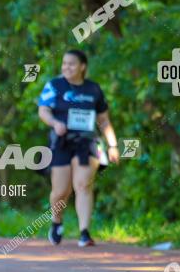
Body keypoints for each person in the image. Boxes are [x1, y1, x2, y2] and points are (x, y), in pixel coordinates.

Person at [38, 50, 119, 247]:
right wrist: (55, 123)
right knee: (60, 191)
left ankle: (84, 232)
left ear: (82, 66)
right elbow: (43, 110)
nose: (66, 67)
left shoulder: (93, 89)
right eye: (64, 63)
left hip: (87, 142)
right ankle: (56, 222)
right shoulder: (54, 86)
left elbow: (104, 120)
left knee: (83, 185)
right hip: (62, 142)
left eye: (71, 64)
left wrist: (113, 145)